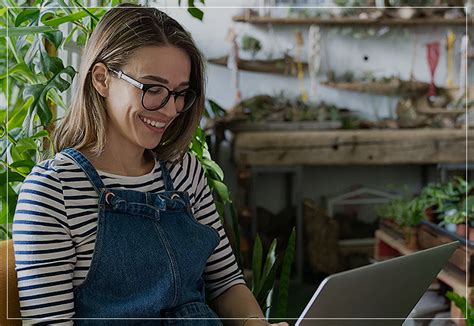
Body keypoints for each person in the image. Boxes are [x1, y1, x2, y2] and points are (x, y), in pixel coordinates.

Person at [12, 4, 288, 326]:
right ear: (102, 79)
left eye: (180, 93)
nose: (169, 110)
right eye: (152, 89)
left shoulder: (185, 172)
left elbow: (226, 282)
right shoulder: (52, 192)